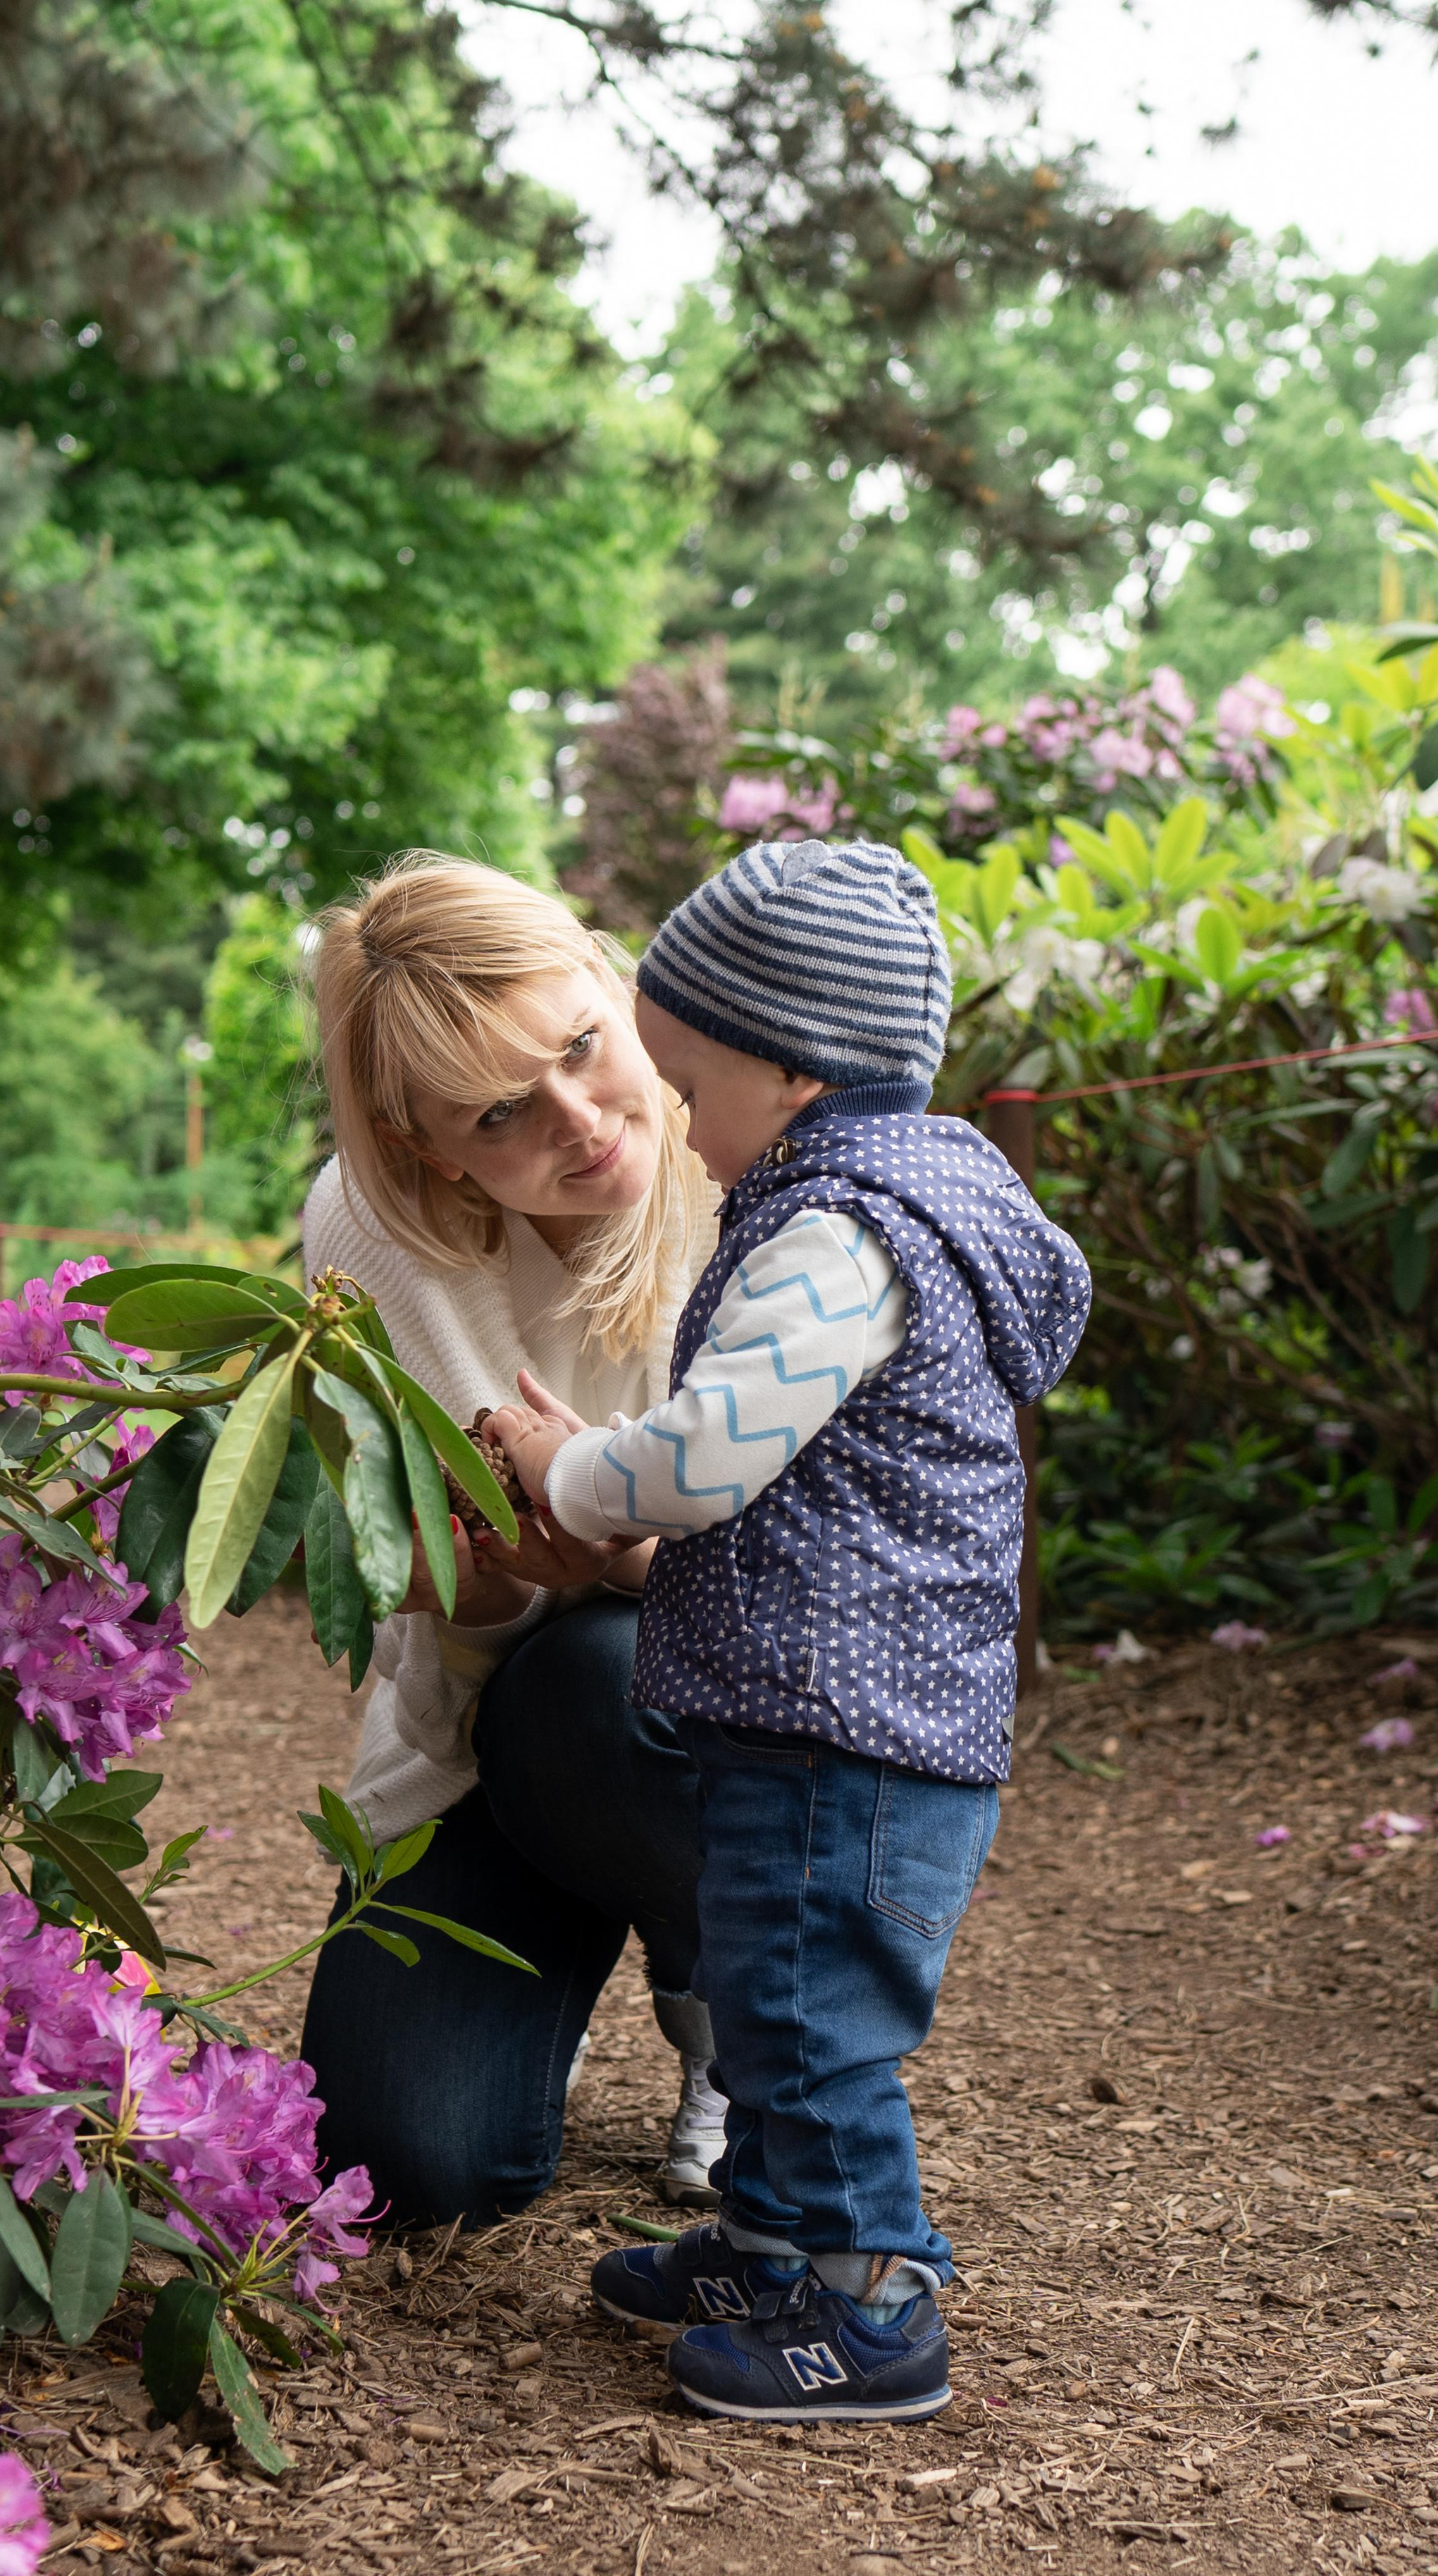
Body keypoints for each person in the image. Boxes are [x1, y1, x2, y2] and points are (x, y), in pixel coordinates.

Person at [489, 836, 1092, 2424]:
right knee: (765, 1993)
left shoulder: (843, 1235)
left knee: (811, 2024)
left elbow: (697, 1458)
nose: (671, 1117)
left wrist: (566, 1464)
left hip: (858, 1731)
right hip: (821, 1712)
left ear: (790, 1068)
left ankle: (870, 2308)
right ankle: (770, 2242)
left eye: (688, 1085)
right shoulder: (862, 1193)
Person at [295, 854, 723, 2226]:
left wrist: (607, 1552)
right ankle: (587, 1901)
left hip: (727, 1709)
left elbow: (814, 1556)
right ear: (428, 1146)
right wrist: (490, 1575)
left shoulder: (748, 1135)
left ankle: (732, 2001)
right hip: (487, 1725)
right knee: (403, 2167)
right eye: (499, 1112)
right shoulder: (373, 1226)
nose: (579, 1121)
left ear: (608, 975)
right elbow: (423, 1578)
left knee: (605, 1675)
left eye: (580, 1048)